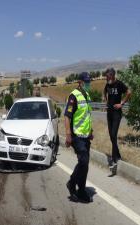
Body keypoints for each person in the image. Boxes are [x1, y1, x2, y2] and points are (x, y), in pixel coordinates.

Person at [64, 72, 93, 203]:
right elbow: (67, 117)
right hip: (76, 136)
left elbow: (87, 115)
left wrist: (90, 130)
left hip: (86, 136)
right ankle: (72, 183)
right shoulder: (73, 96)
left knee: (85, 165)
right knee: (83, 162)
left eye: (89, 82)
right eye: (86, 82)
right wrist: (68, 135)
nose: (88, 84)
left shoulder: (87, 95)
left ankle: (81, 190)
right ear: (80, 82)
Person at [103, 68, 131, 173]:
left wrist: (122, 103)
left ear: (113, 75)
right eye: (106, 76)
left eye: (108, 76)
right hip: (109, 113)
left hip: (116, 114)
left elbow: (129, 92)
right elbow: (104, 92)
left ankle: (114, 160)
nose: (107, 78)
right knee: (111, 136)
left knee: (114, 134)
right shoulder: (108, 84)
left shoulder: (119, 84)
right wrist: (106, 101)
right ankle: (118, 155)